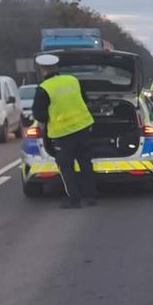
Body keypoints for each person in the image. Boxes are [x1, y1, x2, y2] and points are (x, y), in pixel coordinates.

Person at [30, 53, 97, 209]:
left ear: (42, 70)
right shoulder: (73, 80)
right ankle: (91, 196)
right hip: (84, 127)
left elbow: (39, 115)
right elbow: (85, 100)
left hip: (63, 133)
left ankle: (74, 199)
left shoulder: (43, 89)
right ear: (56, 68)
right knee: (85, 162)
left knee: (66, 167)